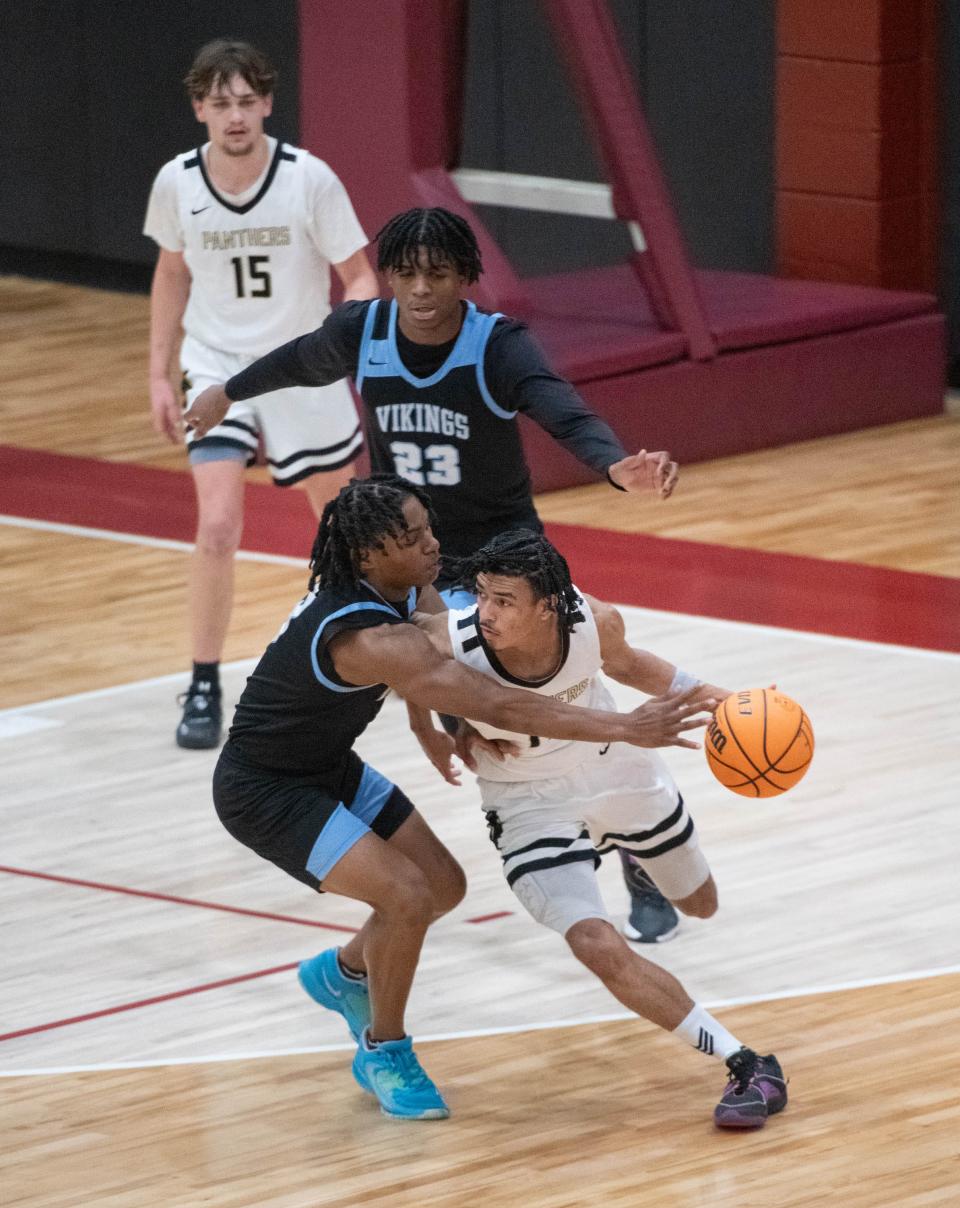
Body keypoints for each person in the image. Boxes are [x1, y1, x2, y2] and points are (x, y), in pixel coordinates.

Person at [183, 205, 680, 938]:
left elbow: (561, 410)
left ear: (464, 279)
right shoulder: (366, 331)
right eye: (406, 272)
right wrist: (228, 391)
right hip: (410, 561)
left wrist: (614, 465)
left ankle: (631, 835)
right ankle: (536, 816)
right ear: (389, 276)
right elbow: (301, 359)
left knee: (561, 685)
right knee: (484, 720)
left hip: (506, 557)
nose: (420, 288)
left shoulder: (497, 346)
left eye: (438, 273)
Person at [212, 474, 713, 1121]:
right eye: (413, 536)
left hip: (327, 765)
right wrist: (623, 726)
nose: (432, 545)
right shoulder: (367, 636)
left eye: (429, 528)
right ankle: (384, 1050)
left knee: (443, 885)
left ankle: (343, 974)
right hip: (264, 788)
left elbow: (443, 658)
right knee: (407, 896)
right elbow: (493, 698)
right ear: (368, 554)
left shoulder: (401, 582)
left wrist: (434, 723)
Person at [413, 529, 788, 1129]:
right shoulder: (453, 639)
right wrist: (441, 723)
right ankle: (745, 1062)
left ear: (548, 606)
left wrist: (728, 699)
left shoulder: (594, 621)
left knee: (700, 905)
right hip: (526, 800)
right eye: (481, 595)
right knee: (595, 942)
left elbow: (634, 665)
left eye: (504, 600)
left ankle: (631, 852)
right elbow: (409, 666)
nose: (485, 613)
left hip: (618, 769)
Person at [144, 38, 379, 750]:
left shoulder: (309, 178)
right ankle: (205, 680)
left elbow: (361, 277)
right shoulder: (177, 182)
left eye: (247, 101)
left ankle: (369, 655)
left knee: (343, 532)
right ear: (199, 109)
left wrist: (345, 344)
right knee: (216, 525)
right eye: (221, 103)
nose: (236, 115)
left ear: (269, 103)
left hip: (301, 365)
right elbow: (171, 276)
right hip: (216, 367)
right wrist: (158, 371)